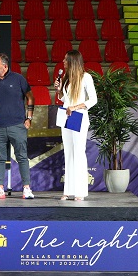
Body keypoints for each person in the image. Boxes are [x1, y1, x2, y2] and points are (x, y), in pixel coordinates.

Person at [0, 52, 35, 199]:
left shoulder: (18, 79)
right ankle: (0, 189)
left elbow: (30, 97)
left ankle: (26, 188)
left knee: (22, 157)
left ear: (5, 66)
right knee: (0, 158)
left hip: (17, 126)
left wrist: (29, 118)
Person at [54, 50, 97, 201]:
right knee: (68, 152)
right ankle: (68, 190)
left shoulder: (86, 77)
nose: (63, 62)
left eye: (66, 60)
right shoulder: (66, 78)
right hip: (66, 116)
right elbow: (64, 99)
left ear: (73, 61)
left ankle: (80, 191)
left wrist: (75, 107)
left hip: (78, 116)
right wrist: (59, 90)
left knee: (78, 152)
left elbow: (93, 100)